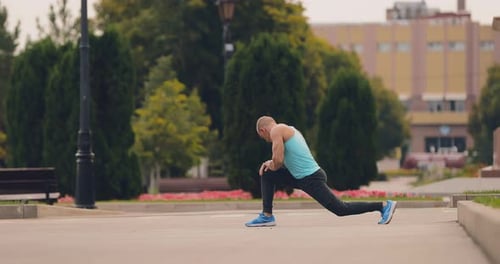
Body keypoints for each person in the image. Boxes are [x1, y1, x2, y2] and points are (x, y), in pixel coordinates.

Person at [245, 116, 397, 227]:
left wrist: (271, 163)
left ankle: (383, 206)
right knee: (267, 173)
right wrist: (269, 165)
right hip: (300, 177)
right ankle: (267, 216)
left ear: (263, 130)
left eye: (262, 136)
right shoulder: (289, 129)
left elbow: (277, 162)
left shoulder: (276, 130)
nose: (265, 139)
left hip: (311, 178)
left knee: (341, 209)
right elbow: (279, 162)